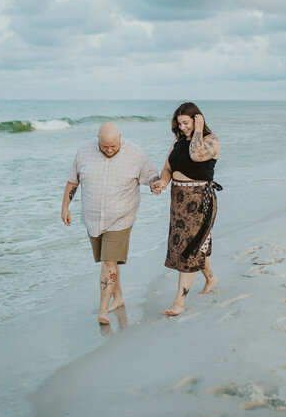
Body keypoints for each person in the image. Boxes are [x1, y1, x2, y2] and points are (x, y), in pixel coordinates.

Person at [62, 122, 160, 325]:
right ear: (97, 139)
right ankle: (119, 297)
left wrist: (155, 185)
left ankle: (103, 309)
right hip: (93, 219)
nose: (109, 150)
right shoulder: (84, 152)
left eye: (113, 146)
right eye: (105, 146)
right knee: (109, 261)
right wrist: (65, 207)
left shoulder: (135, 153)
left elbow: (151, 176)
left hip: (121, 219)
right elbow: (73, 181)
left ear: (120, 138)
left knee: (108, 263)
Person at [152, 102, 222, 316]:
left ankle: (179, 304)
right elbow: (167, 168)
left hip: (200, 202)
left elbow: (197, 156)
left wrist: (199, 130)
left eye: (186, 122)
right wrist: (162, 183)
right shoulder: (177, 144)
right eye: (179, 123)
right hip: (179, 203)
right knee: (194, 246)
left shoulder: (211, 141)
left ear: (197, 119)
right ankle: (211, 278)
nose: (182, 127)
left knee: (189, 248)